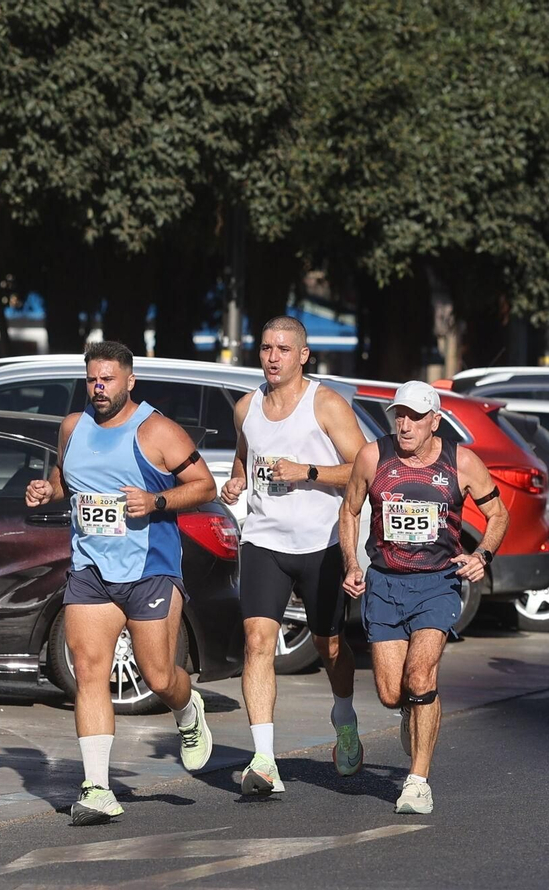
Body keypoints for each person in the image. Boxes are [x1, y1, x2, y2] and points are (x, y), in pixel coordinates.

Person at [24, 341, 218, 826]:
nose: (98, 388)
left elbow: (205, 486)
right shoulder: (73, 426)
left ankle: (188, 707)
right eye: (92, 379)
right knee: (90, 673)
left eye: (107, 379)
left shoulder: (156, 430)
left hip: (149, 567)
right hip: (91, 568)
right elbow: (66, 477)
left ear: (129, 381)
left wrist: (155, 503)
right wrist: (49, 489)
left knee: (158, 677)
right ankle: (96, 789)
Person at [340, 381, 508, 815]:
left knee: (420, 677)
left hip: (437, 583)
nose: (404, 424)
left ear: (435, 420)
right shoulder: (373, 456)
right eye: (399, 414)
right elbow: (350, 509)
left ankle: (418, 781)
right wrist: (352, 565)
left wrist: (482, 554)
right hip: (384, 582)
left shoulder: (462, 462)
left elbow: (497, 513)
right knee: (390, 694)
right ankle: (410, 714)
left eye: (415, 416)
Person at [218, 317, 369, 797]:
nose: (273, 357)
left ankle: (343, 716)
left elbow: (363, 471)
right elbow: (245, 454)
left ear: (303, 355)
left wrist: (306, 471)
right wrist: (237, 479)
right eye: (265, 348)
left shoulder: (325, 404)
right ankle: (263, 759)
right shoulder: (247, 407)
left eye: (284, 348)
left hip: (320, 543)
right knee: (257, 642)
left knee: (329, 647)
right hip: (263, 541)